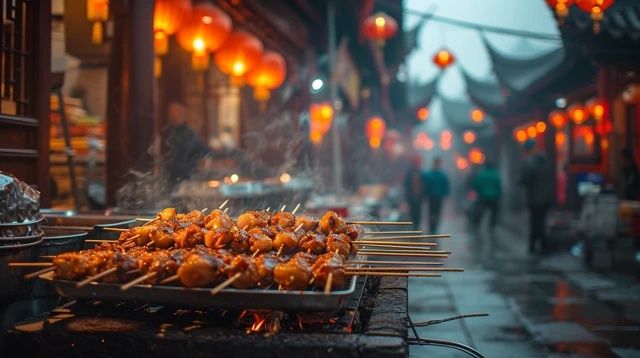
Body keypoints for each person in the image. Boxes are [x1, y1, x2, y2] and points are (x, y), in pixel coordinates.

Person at [163, 101, 212, 189]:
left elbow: (204, 153)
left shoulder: (190, 135)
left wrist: (197, 165)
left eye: (178, 112)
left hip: (184, 180)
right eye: (172, 112)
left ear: (183, 114)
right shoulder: (164, 132)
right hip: (166, 180)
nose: (174, 115)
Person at [519, 139, 554, 254]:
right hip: (546, 196)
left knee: (535, 222)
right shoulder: (546, 160)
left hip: (534, 197)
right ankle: (543, 245)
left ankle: (533, 246)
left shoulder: (529, 162)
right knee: (542, 221)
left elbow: (523, 180)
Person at [471, 161, 502, 234]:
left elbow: (475, 184)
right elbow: (499, 185)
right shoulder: (496, 174)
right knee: (494, 212)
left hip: (483, 196)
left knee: (480, 211)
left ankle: (476, 223)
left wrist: (479, 191)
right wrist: (498, 194)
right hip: (494, 197)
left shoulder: (482, 174)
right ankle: (492, 225)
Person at [424, 158, 449, 233]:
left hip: (439, 197)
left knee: (437, 213)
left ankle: (434, 228)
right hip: (431, 197)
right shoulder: (429, 174)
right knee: (431, 213)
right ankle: (431, 227)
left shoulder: (442, 175)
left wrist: (445, 195)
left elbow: (446, 186)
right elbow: (426, 185)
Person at [403, 155, 427, 230]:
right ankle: (414, 225)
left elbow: (424, 184)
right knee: (412, 211)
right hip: (411, 196)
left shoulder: (420, 172)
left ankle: (417, 225)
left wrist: (423, 194)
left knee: (418, 211)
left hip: (419, 196)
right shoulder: (409, 173)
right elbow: (406, 185)